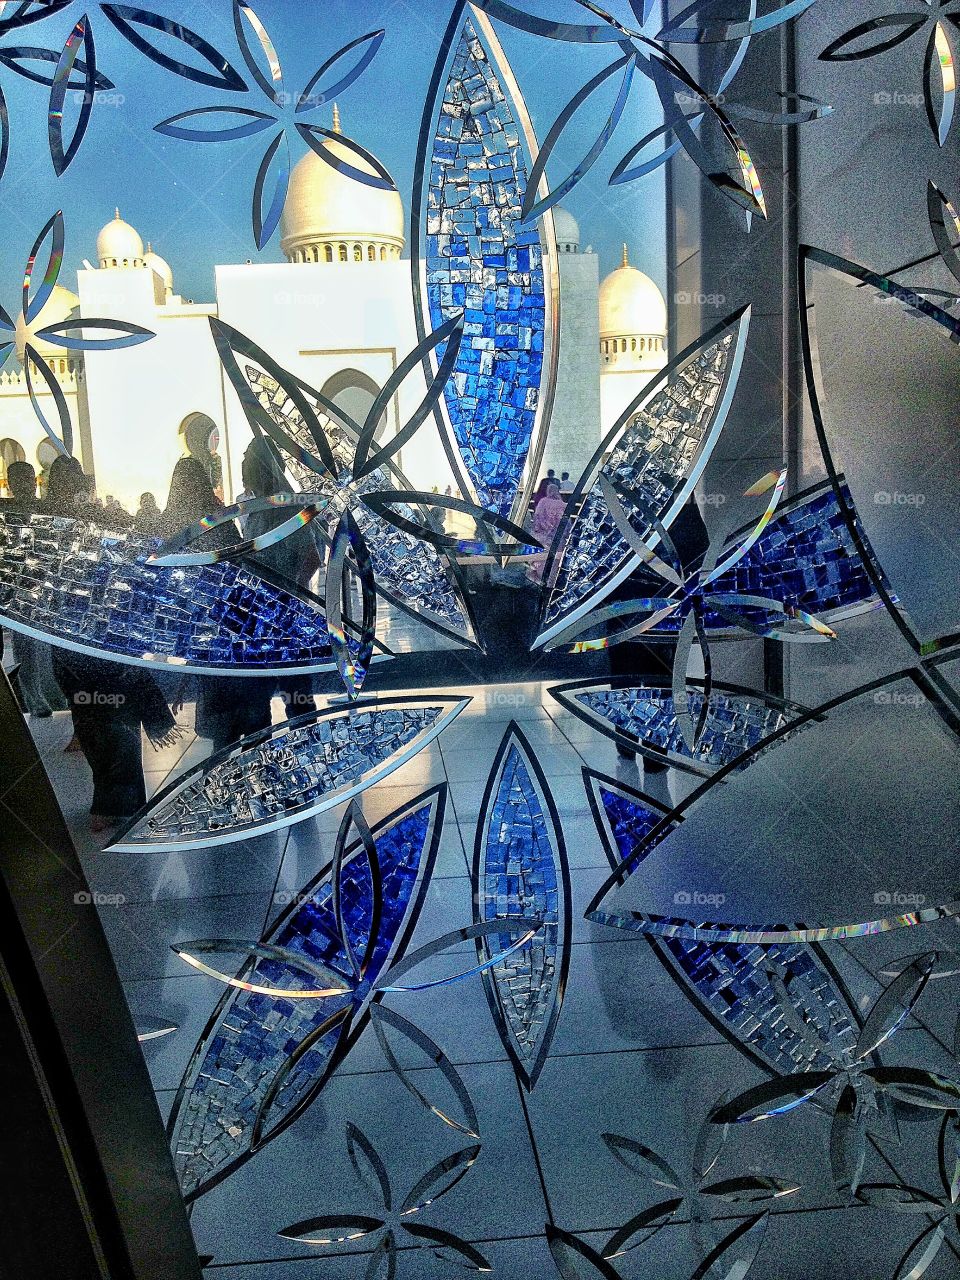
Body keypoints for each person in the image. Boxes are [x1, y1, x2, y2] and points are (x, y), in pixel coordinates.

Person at [608, 495, 710, 767]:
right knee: (662, 677)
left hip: (625, 604)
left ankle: (627, 741)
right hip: (664, 603)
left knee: (625, 676)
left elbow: (605, 552)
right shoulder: (679, 498)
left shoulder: (617, 497)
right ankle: (654, 751)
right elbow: (699, 549)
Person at [52, 648, 178, 832]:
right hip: (97, 680)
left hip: (104, 681)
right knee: (111, 743)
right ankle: (110, 808)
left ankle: (111, 807)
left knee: (116, 744)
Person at [3, 462, 68, 717]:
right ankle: (38, 700)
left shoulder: (44, 509)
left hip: (42, 587)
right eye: (21, 479)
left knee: (43, 647)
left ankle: (48, 698)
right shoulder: (8, 512)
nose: (27, 484)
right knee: (29, 648)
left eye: (29, 478)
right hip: (22, 591)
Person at [531, 481, 567, 546]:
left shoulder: (542, 501)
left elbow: (537, 515)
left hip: (543, 533)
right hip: (557, 535)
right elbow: (566, 522)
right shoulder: (562, 504)